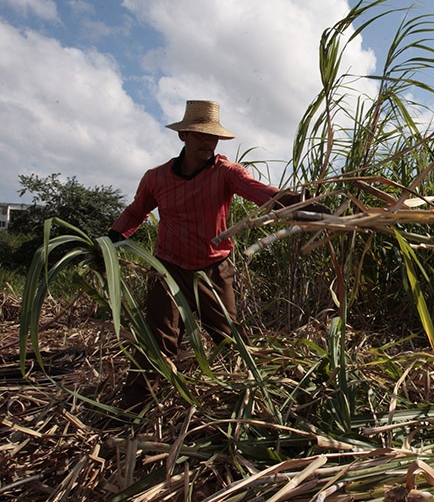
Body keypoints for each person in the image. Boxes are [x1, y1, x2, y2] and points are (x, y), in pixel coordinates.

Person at [109, 99, 318, 404]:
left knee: (229, 340)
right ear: (184, 136)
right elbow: (135, 212)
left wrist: (299, 204)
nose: (208, 143)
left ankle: (256, 401)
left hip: (214, 269)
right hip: (167, 269)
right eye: (200, 136)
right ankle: (134, 407)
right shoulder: (157, 177)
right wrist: (110, 239)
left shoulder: (226, 173)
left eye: (213, 137)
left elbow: (260, 192)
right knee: (158, 342)